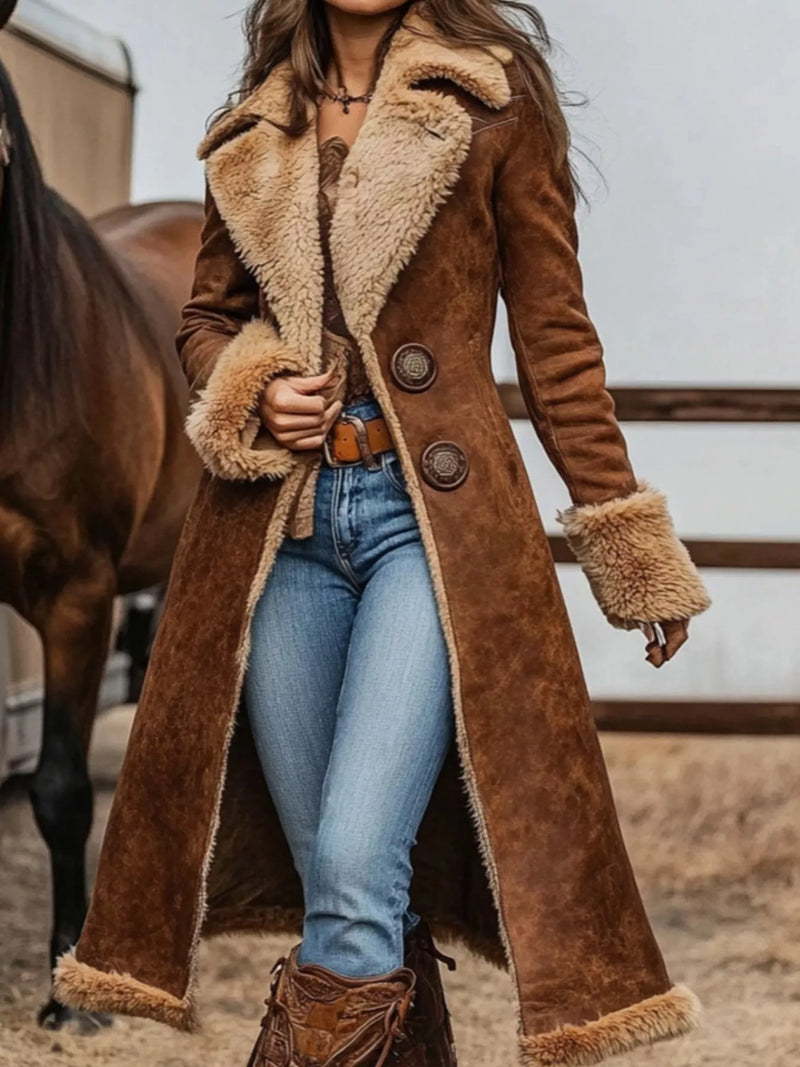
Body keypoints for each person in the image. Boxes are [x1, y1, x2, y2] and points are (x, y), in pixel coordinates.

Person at [56, 2, 710, 1064]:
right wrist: (251, 389)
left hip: (431, 533)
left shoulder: (491, 102)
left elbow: (554, 343)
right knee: (342, 879)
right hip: (277, 532)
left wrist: (626, 549)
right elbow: (204, 320)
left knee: (357, 856)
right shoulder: (253, 124)